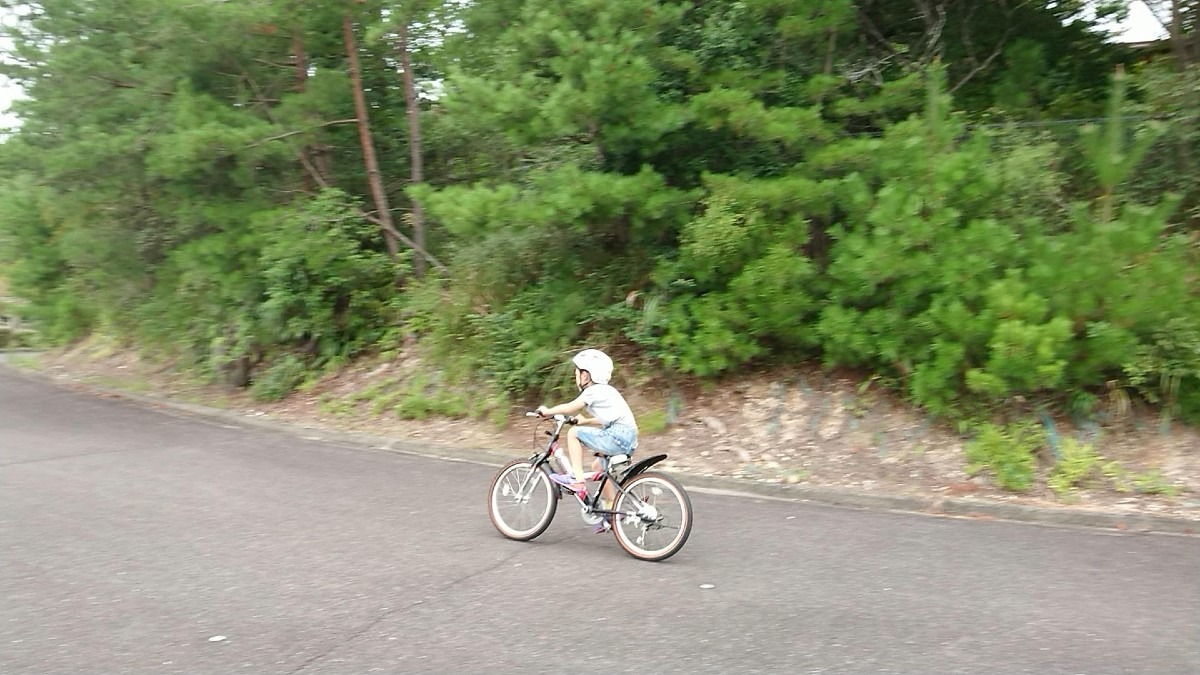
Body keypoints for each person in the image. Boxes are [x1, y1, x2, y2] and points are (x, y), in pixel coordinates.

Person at [536, 348, 638, 532]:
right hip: (628, 437)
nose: (576, 375)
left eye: (578, 372)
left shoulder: (593, 391)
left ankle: (577, 480)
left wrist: (548, 411)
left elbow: (570, 407)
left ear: (586, 376)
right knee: (598, 468)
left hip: (617, 435)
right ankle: (611, 510)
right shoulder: (608, 391)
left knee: (573, 433)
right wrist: (586, 421)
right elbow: (606, 418)